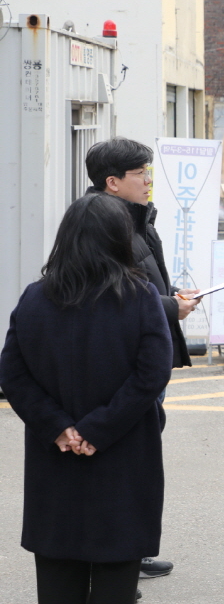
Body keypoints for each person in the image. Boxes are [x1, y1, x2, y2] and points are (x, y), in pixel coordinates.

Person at [0, 193, 173, 604]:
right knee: (116, 582)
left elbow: (12, 372)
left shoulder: (35, 298)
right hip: (123, 460)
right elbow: (152, 374)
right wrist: (99, 428)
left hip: (54, 464)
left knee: (58, 581)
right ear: (118, 239)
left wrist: (58, 427)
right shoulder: (140, 297)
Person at [86, 136, 199, 581]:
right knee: (120, 462)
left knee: (139, 462)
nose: (149, 180)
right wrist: (169, 309)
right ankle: (114, 562)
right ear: (112, 183)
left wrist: (167, 299)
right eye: (140, 174)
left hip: (145, 353)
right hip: (123, 362)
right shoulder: (104, 227)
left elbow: (141, 284)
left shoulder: (135, 219)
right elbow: (111, 299)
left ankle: (129, 552)